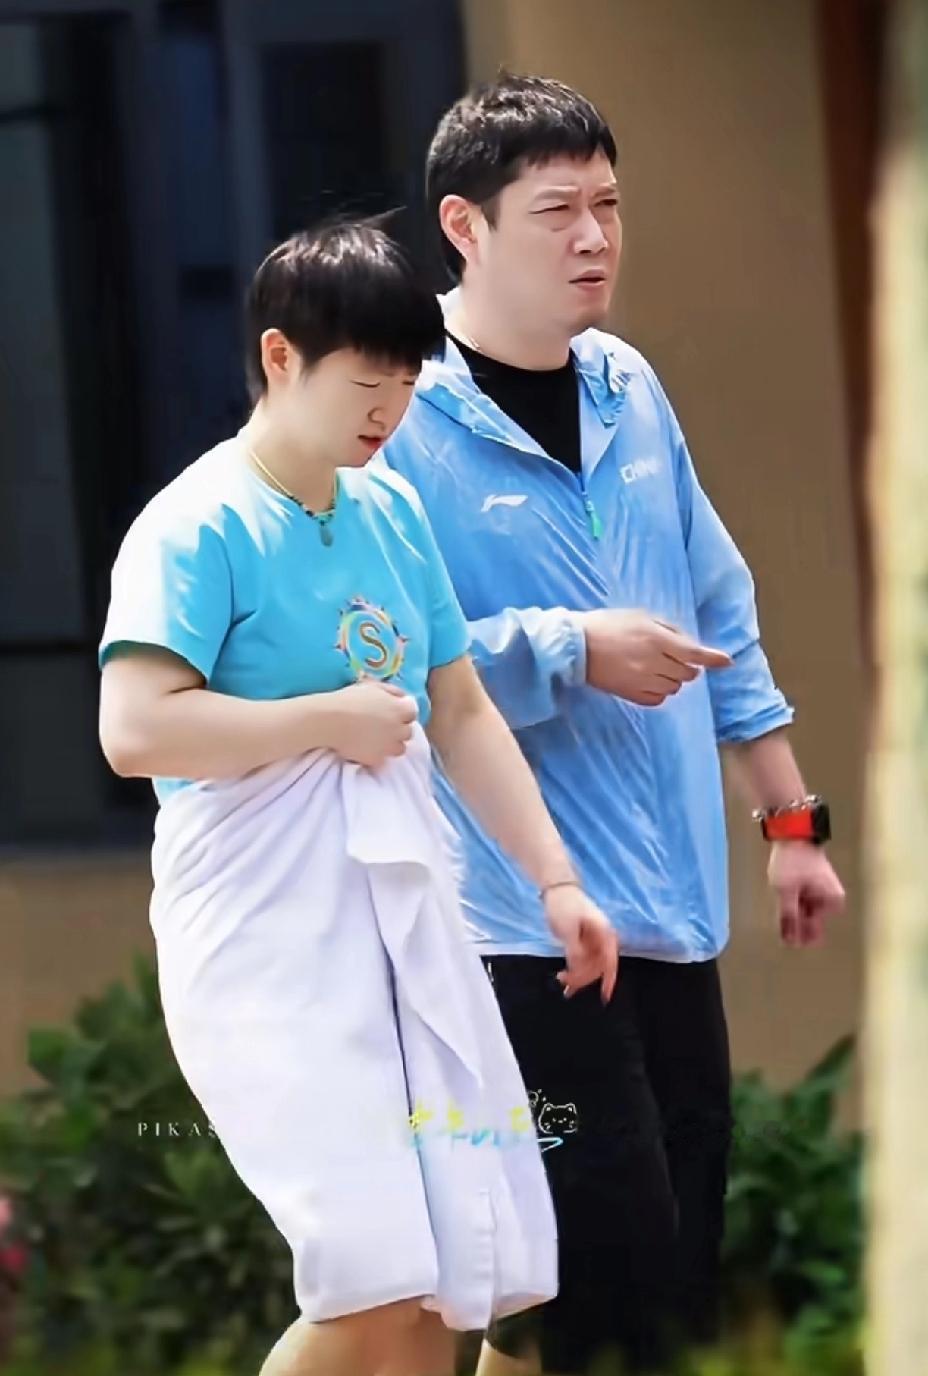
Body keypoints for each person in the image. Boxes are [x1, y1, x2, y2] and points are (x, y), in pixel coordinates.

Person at [381, 75, 847, 1375]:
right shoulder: (401, 413)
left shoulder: (627, 385)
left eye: (610, 206)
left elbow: (717, 606)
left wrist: (790, 822)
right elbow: (389, 664)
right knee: (612, 1281)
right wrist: (571, 646)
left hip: (675, 909)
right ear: (465, 227)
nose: (595, 238)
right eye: (558, 212)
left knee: (656, 1280)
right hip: (518, 924)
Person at [97, 221, 618, 1376]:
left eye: (407, 383)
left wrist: (555, 878)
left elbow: (460, 710)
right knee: (371, 1264)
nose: (389, 410)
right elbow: (133, 731)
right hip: (264, 935)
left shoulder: (388, 512)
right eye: (366, 381)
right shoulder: (195, 523)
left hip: (403, 922)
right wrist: (324, 719)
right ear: (280, 357)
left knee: (441, 1277)